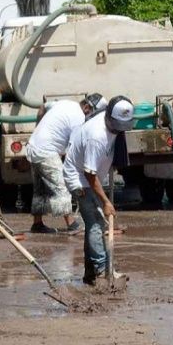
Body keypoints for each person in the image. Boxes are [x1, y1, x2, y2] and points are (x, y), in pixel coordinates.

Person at [63, 96, 134, 285]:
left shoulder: (111, 122)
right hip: (79, 179)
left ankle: (90, 272)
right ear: (109, 117)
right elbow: (89, 175)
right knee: (95, 222)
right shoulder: (96, 136)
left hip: (89, 176)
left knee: (93, 223)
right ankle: (102, 271)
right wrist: (106, 201)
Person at [26, 94, 107, 234]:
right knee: (61, 187)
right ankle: (72, 224)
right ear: (87, 107)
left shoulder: (66, 103)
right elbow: (74, 151)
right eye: (92, 114)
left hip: (33, 146)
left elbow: (42, 108)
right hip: (47, 151)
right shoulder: (80, 120)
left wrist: (38, 129)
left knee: (40, 190)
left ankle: (37, 223)